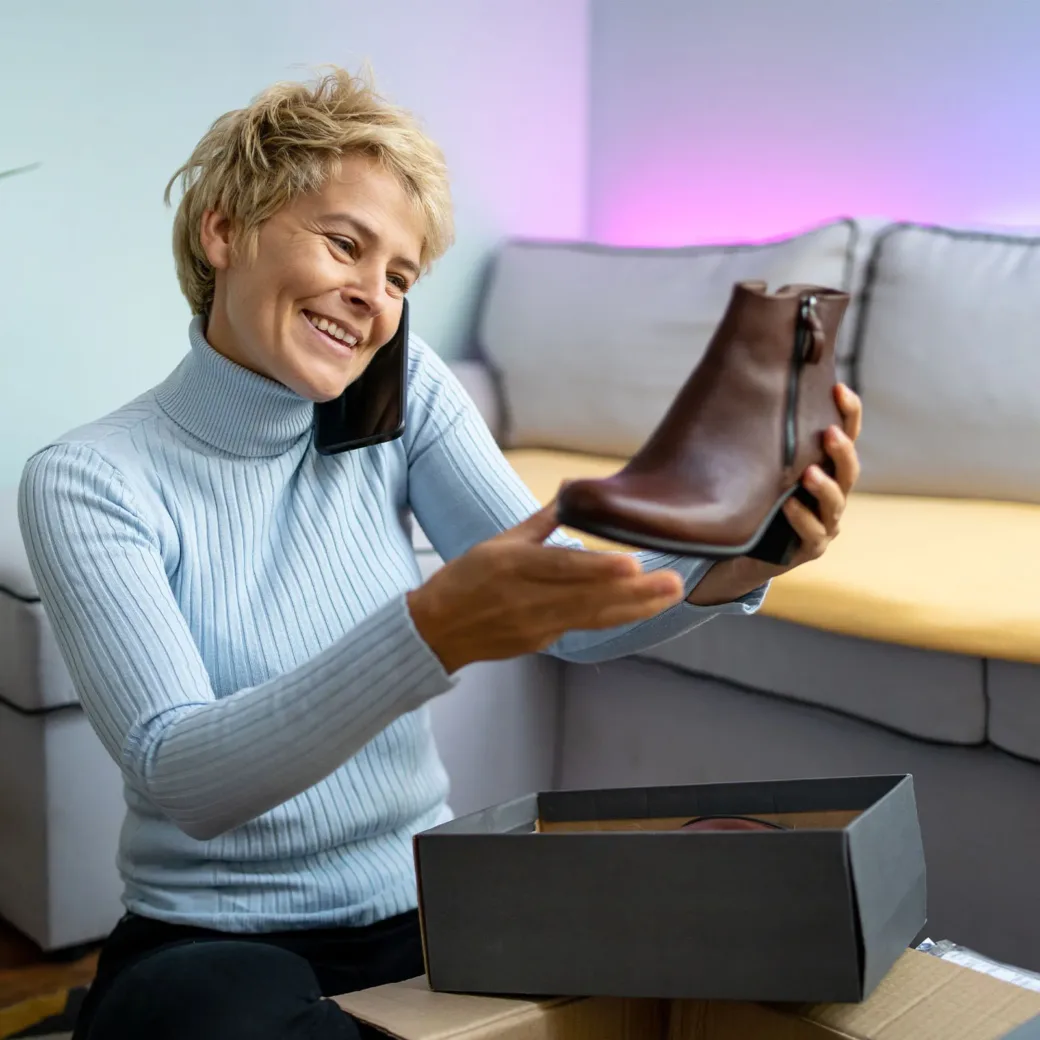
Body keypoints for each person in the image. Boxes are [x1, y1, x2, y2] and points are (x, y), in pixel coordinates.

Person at [17, 67, 863, 1040]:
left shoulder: (399, 388)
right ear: (224, 230)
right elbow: (181, 776)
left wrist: (738, 565)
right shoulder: (89, 477)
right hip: (210, 937)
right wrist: (429, 630)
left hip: (426, 907)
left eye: (399, 276)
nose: (370, 298)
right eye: (345, 243)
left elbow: (572, 625)